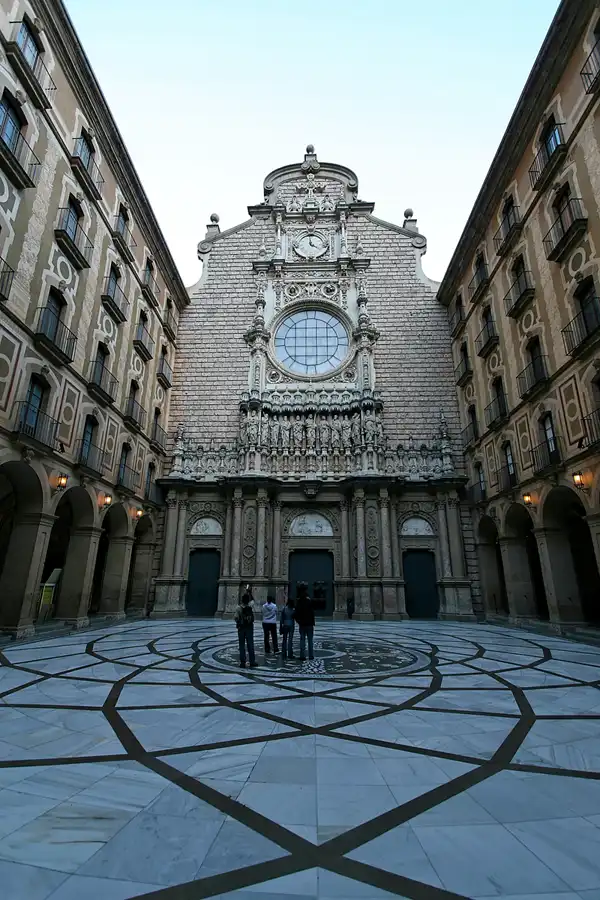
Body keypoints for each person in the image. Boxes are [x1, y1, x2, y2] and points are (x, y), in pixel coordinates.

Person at [234, 587, 257, 668]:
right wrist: (250, 593)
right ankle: (252, 661)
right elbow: (253, 601)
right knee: (250, 644)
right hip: (249, 628)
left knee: (241, 645)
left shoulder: (238, 608)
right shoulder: (250, 606)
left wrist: (239, 623)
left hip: (241, 628)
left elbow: (236, 618)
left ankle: (243, 662)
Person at [294, 581, 315, 661]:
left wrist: (298, 620)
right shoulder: (309, 599)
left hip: (302, 623)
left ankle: (302, 656)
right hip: (309, 624)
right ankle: (311, 655)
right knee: (310, 640)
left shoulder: (299, 600)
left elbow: (297, 612)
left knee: (302, 640)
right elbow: (312, 612)